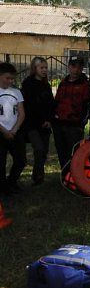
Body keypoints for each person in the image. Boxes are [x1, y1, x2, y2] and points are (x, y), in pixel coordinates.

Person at [21, 57, 55, 185]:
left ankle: (38, 177)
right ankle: (36, 177)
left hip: (45, 125)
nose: (45, 70)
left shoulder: (46, 84)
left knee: (44, 152)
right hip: (31, 124)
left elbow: (51, 104)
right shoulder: (28, 83)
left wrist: (49, 120)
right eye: (41, 67)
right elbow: (28, 105)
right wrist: (41, 120)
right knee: (39, 148)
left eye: (46, 67)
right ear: (34, 69)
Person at [53, 55, 90, 171]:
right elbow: (57, 101)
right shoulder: (63, 83)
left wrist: (81, 122)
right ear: (69, 67)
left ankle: (74, 175)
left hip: (74, 125)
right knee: (61, 151)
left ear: (82, 68)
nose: (76, 69)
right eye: (73, 66)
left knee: (74, 152)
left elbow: (86, 104)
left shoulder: (85, 84)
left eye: (79, 67)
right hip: (59, 123)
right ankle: (65, 174)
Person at [0, 62, 26, 196]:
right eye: (7, 78)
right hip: (1, 133)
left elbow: (21, 113)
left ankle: (12, 182)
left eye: (12, 78)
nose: (10, 81)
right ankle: (3, 188)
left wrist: (14, 130)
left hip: (15, 132)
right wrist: (4, 131)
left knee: (21, 160)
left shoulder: (16, 92)